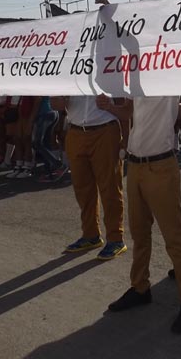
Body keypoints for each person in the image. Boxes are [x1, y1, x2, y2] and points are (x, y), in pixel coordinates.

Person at [102, 92, 181, 333]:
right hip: (135, 164)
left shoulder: (167, 73)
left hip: (161, 165)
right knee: (139, 232)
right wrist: (109, 107)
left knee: (174, 237)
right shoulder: (137, 78)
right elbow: (131, 112)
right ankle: (140, 287)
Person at [61, 94, 127, 259]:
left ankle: (116, 238)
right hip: (76, 131)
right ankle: (90, 235)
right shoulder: (67, 72)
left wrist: (126, 139)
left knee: (110, 187)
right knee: (82, 188)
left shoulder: (109, 69)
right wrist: (58, 95)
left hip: (105, 131)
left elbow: (123, 104)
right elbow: (56, 105)